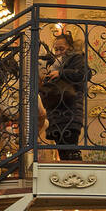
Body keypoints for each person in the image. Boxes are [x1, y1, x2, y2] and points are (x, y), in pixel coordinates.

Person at [40, 30, 88, 162]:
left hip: (70, 108)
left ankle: (75, 175)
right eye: (56, 49)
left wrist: (61, 73)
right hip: (56, 111)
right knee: (62, 149)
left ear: (70, 48)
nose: (58, 52)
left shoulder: (76, 57)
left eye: (61, 48)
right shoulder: (54, 63)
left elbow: (84, 74)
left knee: (71, 148)